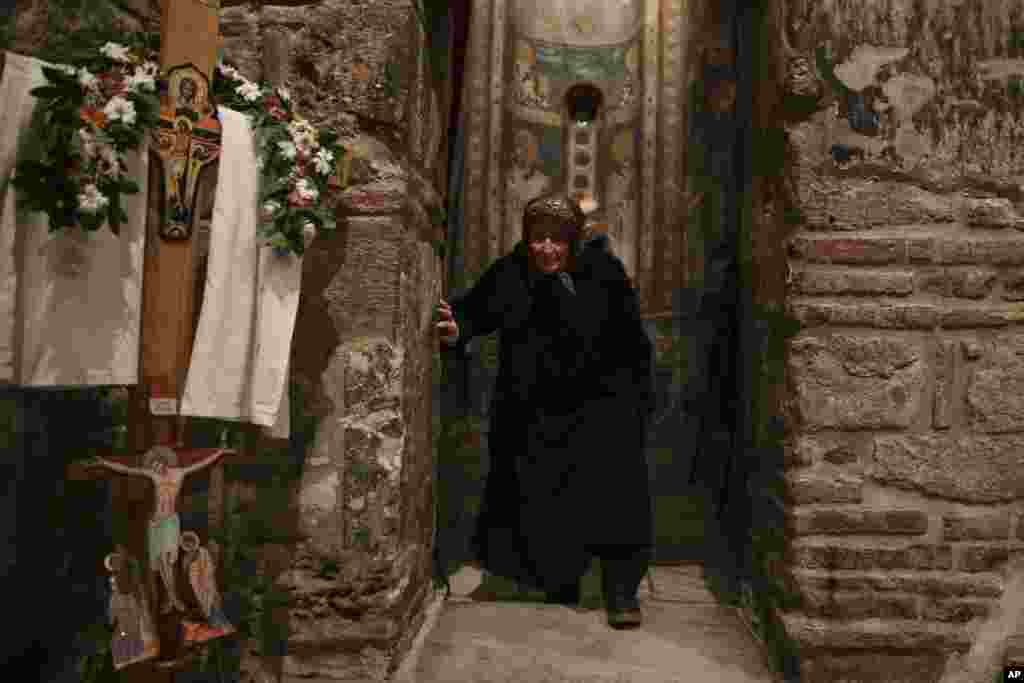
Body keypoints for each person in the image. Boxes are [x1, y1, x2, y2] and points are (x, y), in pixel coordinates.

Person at [436, 193, 655, 628]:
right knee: (541, 488)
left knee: (615, 494)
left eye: (557, 240)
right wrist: (459, 327)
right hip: (535, 407)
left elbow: (632, 342)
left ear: (572, 241)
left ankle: (621, 589)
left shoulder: (603, 273)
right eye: (539, 239)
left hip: (600, 407)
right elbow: (477, 309)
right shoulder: (513, 270)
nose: (547, 249)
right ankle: (558, 578)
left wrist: (629, 401)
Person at [87, 445, 232, 614]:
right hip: (156, 523)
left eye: (157, 466)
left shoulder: (179, 473)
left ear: (165, 463)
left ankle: (171, 599)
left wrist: (219, 452)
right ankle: (173, 599)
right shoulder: (154, 476)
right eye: (152, 467)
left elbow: (201, 463)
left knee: (168, 560)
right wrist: (105, 462)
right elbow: (128, 469)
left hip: (170, 522)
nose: (155, 470)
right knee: (162, 561)